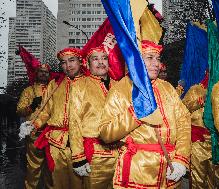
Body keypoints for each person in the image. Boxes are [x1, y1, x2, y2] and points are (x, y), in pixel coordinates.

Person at [98, 40, 191, 188]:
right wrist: (136, 113)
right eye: (149, 58)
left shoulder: (167, 88)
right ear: (136, 59)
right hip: (138, 171)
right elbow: (105, 133)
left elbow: (184, 124)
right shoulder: (121, 89)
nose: (157, 64)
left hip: (170, 171)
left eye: (158, 58)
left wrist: (181, 159)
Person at [19, 48, 90, 189]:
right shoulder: (55, 84)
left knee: (80, 184)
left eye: (72, 60)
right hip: (56, 143)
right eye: (63, 63)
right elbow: (46, 111)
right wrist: (34, 124)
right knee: (57, 184)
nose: (68, 66)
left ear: (80, 62)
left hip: (82, 143)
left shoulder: (90, 83)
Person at [81, 47, 119, 189]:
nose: (101, 62)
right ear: (87, 64)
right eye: (95, 59)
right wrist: (78, 157)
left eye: (104, 58)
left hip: (120, 153)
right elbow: (74, 123)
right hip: (95, 156)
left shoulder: (118, 86)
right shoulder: (80, 85)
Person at [181, 71, 219, 189]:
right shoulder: (196, 89)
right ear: (207, 72)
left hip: (217, 142)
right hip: (198, 142)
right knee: (197, 179)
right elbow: (183, 108)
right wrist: (201, 100)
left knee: (215, 179)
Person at [17, 63, 52, 189]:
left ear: (49, 75)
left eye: (46, 72)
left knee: (51, 168)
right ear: (36, 74)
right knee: (33, 168)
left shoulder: (53, 89)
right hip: (33, 134)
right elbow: (19, 110)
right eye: (41, 71)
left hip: (51, 134)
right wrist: (31, 106)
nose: (43, 74)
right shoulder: (28, 91)